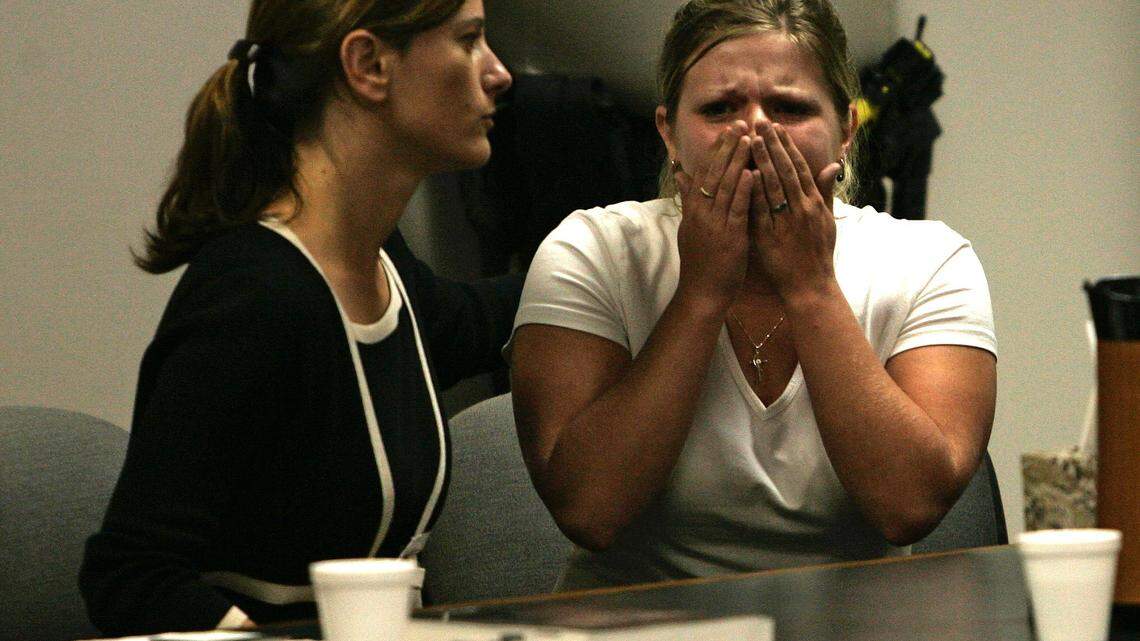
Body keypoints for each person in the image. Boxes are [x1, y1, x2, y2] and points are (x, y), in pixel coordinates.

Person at [509, 0, 997, 589]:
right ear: (669, 132)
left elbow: (909, 507)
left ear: (846, 129)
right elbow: (588, 511)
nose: (755, 129)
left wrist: (811, 288)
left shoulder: (930, 261)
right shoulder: (592, 252)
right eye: (719, 108)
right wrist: (701, 294)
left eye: (790, 108)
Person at [79, 0, 515, 634]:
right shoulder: (254, 295)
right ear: (368, 64)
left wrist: (640, 247)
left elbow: (478, 319)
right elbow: (131, 578)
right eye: (469, 39)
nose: (498, 71)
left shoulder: (383, 268)